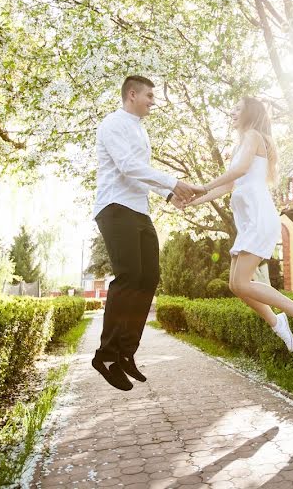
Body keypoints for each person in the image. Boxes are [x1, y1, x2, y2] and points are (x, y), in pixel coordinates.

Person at [91, 75, 203, 391]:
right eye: (150, 96)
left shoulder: (140, 130)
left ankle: (126, 352)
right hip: (114, 207)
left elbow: (138, 175)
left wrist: (169, 196)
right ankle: (106, 356)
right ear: (132, 94)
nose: (153, 101)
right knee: (128, 276)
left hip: (139, 210)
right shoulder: (113, 124)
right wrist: (172, 183)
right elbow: (126, 167)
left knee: (149, 277)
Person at [185, 97, 293, 351]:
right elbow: (228, 184)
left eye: (237, 108)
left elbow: (240, 170)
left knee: (242, 282)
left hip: (259, 217)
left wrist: (202, 185)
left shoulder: (254, 136)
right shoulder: (240, 146)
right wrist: (195, 199)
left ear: (250, 114)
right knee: (236, 285)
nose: (231, 111)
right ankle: (276, 321)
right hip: (248, 222)